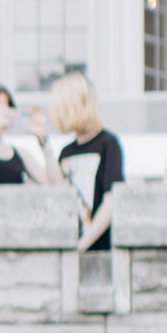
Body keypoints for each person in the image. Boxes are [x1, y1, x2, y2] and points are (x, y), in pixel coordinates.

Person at [48, 72, 123, 241]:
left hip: (99, 248)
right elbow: (57, 194)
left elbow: (111, 201)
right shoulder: (66, 151)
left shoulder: (108, 144)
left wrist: (82, 245)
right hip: (71, 243)